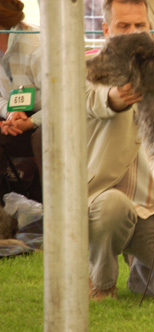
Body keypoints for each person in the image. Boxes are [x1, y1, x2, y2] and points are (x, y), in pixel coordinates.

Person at [86, 0, 154, 301]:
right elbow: (101, 100)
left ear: (150, 29)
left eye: (140, 26)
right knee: (113, 207)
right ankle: (100, 281)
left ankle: (139, 269)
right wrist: (121, 95)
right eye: (124, 26)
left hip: (151, 211)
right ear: (107, 30)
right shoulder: (86, 72)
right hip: (100, 205)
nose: (134, 33)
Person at [0, 0, 43, 201]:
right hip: (13, 113)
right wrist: (9, 112)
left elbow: (65, 103)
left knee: (44, 138)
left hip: (46, 115)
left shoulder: (37, 47)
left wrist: (31, 122)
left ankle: (50, 208)